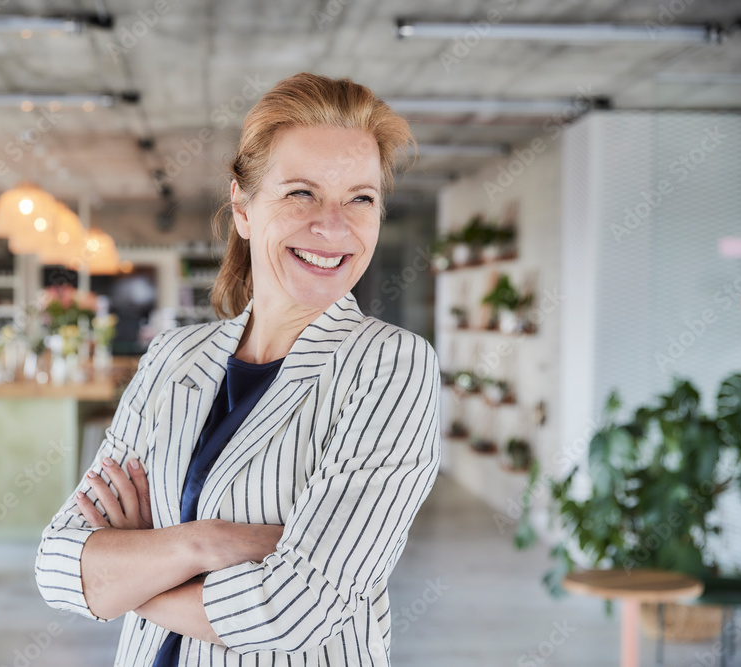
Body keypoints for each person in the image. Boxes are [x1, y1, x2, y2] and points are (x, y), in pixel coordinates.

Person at [35, 72, 441, 666]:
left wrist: (130, 571)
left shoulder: (391, 366)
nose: (333, 226)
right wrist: (207, 542)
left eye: (361, 197)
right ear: (244, 208)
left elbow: (293, 610)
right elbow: (58, 566)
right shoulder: (174, 360)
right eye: (301, 193)